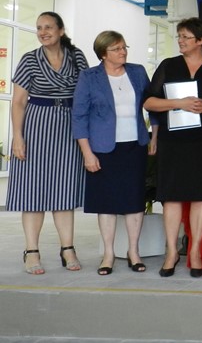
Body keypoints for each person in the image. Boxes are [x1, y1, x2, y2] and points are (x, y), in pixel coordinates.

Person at [143, 17, 202, 278]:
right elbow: (149, 102)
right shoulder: (169, 65)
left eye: (186, 37)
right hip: (172, 142)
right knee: (171, 197)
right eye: (179, 36)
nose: (180, 41)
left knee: (200, 196)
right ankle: (171, 252)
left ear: (200, 41)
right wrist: (178, 103)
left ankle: (195, 251)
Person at [8, 11, 89, 274]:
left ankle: (68, 249)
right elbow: (18, 102)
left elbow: (86, 94)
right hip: (36, 126)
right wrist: (18, 136)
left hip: (68, 127)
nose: (43, 32)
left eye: (48, 27)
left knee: (64, 190)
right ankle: (31, 251)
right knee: (32, 191)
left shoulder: (77, 57)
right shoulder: (29, 60)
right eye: (39, 28)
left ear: (61, 30)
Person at [72, 31, 158, 275]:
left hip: (135, 145)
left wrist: (154, 135)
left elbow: (152, 105)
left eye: (124, 47)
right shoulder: (89, 77)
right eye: (117, 49)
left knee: (134, 201)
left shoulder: (137, 72)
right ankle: (108, 254)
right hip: (102, 148)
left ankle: (134, 252)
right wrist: (87, 153)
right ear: (103, 54)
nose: (123, 52)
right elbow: (79, 116)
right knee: (106, 203)